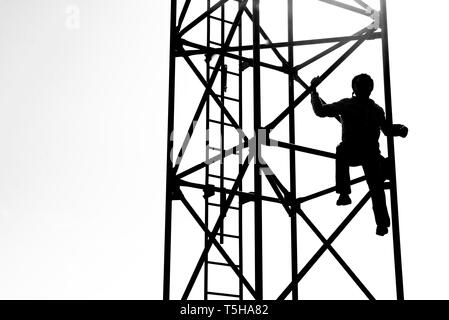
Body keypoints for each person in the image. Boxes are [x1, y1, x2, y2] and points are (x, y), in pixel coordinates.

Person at [310, 74, 408, 236]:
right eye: (360, 85)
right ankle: (344, 193)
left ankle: (382, 223)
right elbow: (321, 111)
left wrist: (400, 129)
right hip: (354, 151)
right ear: (354, 88)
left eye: (365, 85)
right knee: (343, 151)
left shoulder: (376, 110)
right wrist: (313, 92)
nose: (363, 88)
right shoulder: (349, 105)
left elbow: (386, 129)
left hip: (370, 154)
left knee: (377, 188)